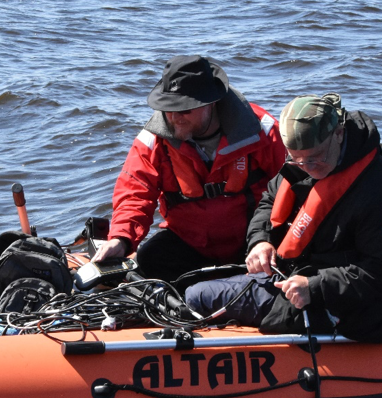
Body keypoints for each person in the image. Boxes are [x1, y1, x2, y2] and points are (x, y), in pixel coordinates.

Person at [185, 93, 382, 342]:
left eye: (315, 158)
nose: (308, 167)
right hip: (291, 277)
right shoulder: (304, 161)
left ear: (338, 133)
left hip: (342, 307)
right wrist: (260, 241)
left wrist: (314, 288)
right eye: (297, 159)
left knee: (197, 296)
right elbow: (269, 202)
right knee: (191, 284)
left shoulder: (381, 189)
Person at [91, 55, 286, 282]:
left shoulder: (262, 130)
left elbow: (293, 189)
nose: (175, 118)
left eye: (184, 110)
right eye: (168, 108)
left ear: (211, 103)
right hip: (190, 244)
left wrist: (265, 240)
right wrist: (121, 239)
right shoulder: (152, 141)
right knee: (147, 260)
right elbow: (135, 193)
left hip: (253, 243)